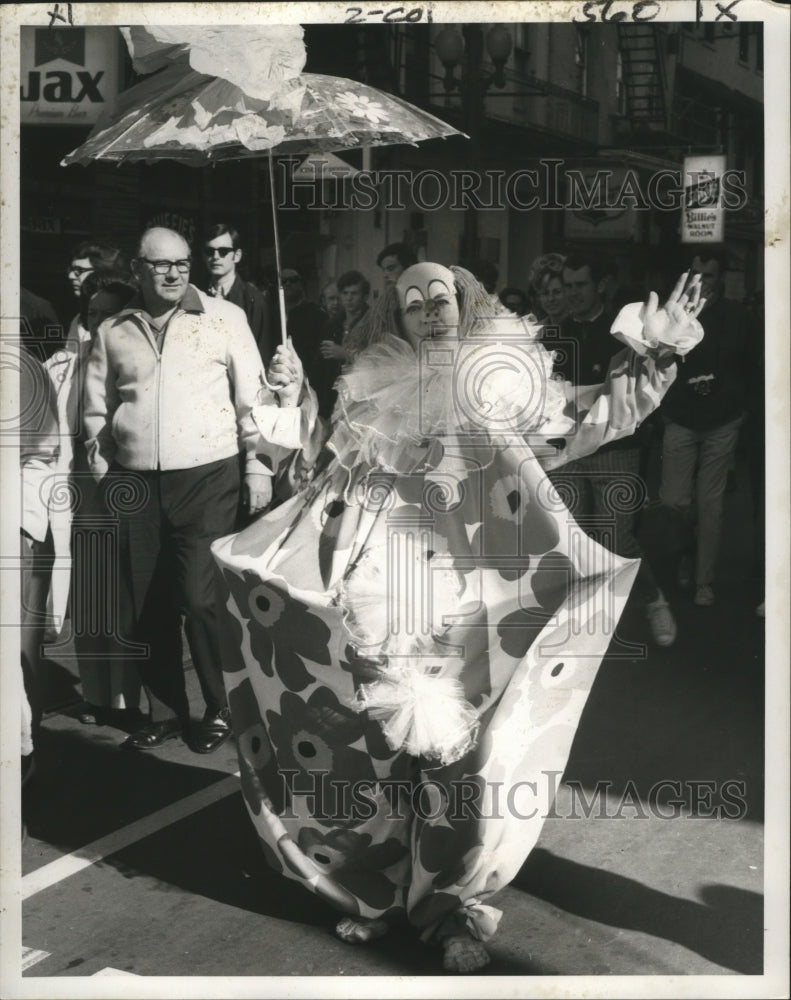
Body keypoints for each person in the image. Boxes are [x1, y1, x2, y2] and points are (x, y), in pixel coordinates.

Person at [211, 261, 704, 973]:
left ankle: (450, 910)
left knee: (465, 764)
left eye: (440, 298)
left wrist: (654, 353)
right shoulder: (371, 388)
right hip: (383, 592)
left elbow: (591, 418)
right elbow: (322, 473)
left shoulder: (501, 383)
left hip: (477, 599)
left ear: (464, 306)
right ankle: (369, 894)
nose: (428, 311)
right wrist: (292, 408)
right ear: (398, 318)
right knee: (367, 755)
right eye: (412, 303)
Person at [83, 227, 273, 753]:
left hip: (207, 475)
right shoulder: (114, 329)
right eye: (162, 265)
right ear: (138, 270)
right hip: (135, 483)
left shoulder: (224, 318)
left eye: (183, 263)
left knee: (199, 598)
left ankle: (220, 706)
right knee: (147, 603)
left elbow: (252, 401)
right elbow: (95, 411)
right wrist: (107, 474)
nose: (174, 273)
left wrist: (258, 467)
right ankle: (164, 710)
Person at [552, 253, 679, 647]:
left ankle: (653, 599)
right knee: (572, 539)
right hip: (569, 452)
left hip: (618, 449)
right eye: (567, 287)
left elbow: (655, 380)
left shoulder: (626, 331)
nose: (573, 294)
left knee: (615, 541)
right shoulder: (552, 334)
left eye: (580, 286)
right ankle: (587, 623)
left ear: (600, 285)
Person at [44, 273, 144, 729]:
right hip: (79, 490)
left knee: (123, 599)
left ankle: (127, 699)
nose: (99, 321)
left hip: (123, 488)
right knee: (89, 597)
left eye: (110, 312)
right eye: (93, 313)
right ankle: (98, 696)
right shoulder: (66, 363)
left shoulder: (135, 362)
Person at [659, 250, 749, 607]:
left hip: (722, 421)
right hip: (681, 418)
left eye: (709, 276)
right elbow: (656, 362)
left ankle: (703, 582)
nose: (701, 283)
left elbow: (747, 364)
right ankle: (685, 551)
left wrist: (740, 409)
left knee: (710, 504)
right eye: (695, 275)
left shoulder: (736, 316)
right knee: (674, 501)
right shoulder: (672, 316)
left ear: (721, 279)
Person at [202, 224, 273, 363]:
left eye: (223, 251)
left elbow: (263, 352)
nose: (215, 257)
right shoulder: (197, 294)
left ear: (237, 256)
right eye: (210, 251)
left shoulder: (253, 300)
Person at [313, 270, 371, 419]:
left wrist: (345, 354)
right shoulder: (331, 325)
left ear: (364, 296)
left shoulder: (372, 323)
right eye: (345, 293)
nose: (349, 298)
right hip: (332, 395)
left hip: (361, 395)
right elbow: (321, 366)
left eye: (354, 293)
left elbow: (378, 361)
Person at [65, 241, 128, 347]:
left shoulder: (124, 315)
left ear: (102, 273)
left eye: (79, 270)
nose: (71, 276)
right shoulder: (78, 319)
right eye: (71, 270)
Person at [282, 267, 329, 376]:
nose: (288, 284)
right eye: (283, 281)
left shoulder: (315, 313)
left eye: (293, 280)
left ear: (300, 284)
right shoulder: (273, 313)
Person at [529, 253, 568, 328]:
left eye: (557, 292)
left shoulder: (582, 328)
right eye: (545, 293)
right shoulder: (536, 332)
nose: (551, 299)